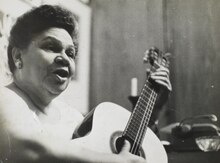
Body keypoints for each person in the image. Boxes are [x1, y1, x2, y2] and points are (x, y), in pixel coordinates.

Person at [0, 4, 171, 163]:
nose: (65, 59)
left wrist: (153, 111)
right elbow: (26, 148)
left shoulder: (73, 117)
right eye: (51, 47)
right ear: (18, 57)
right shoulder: (5, 98)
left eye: (71, 53)